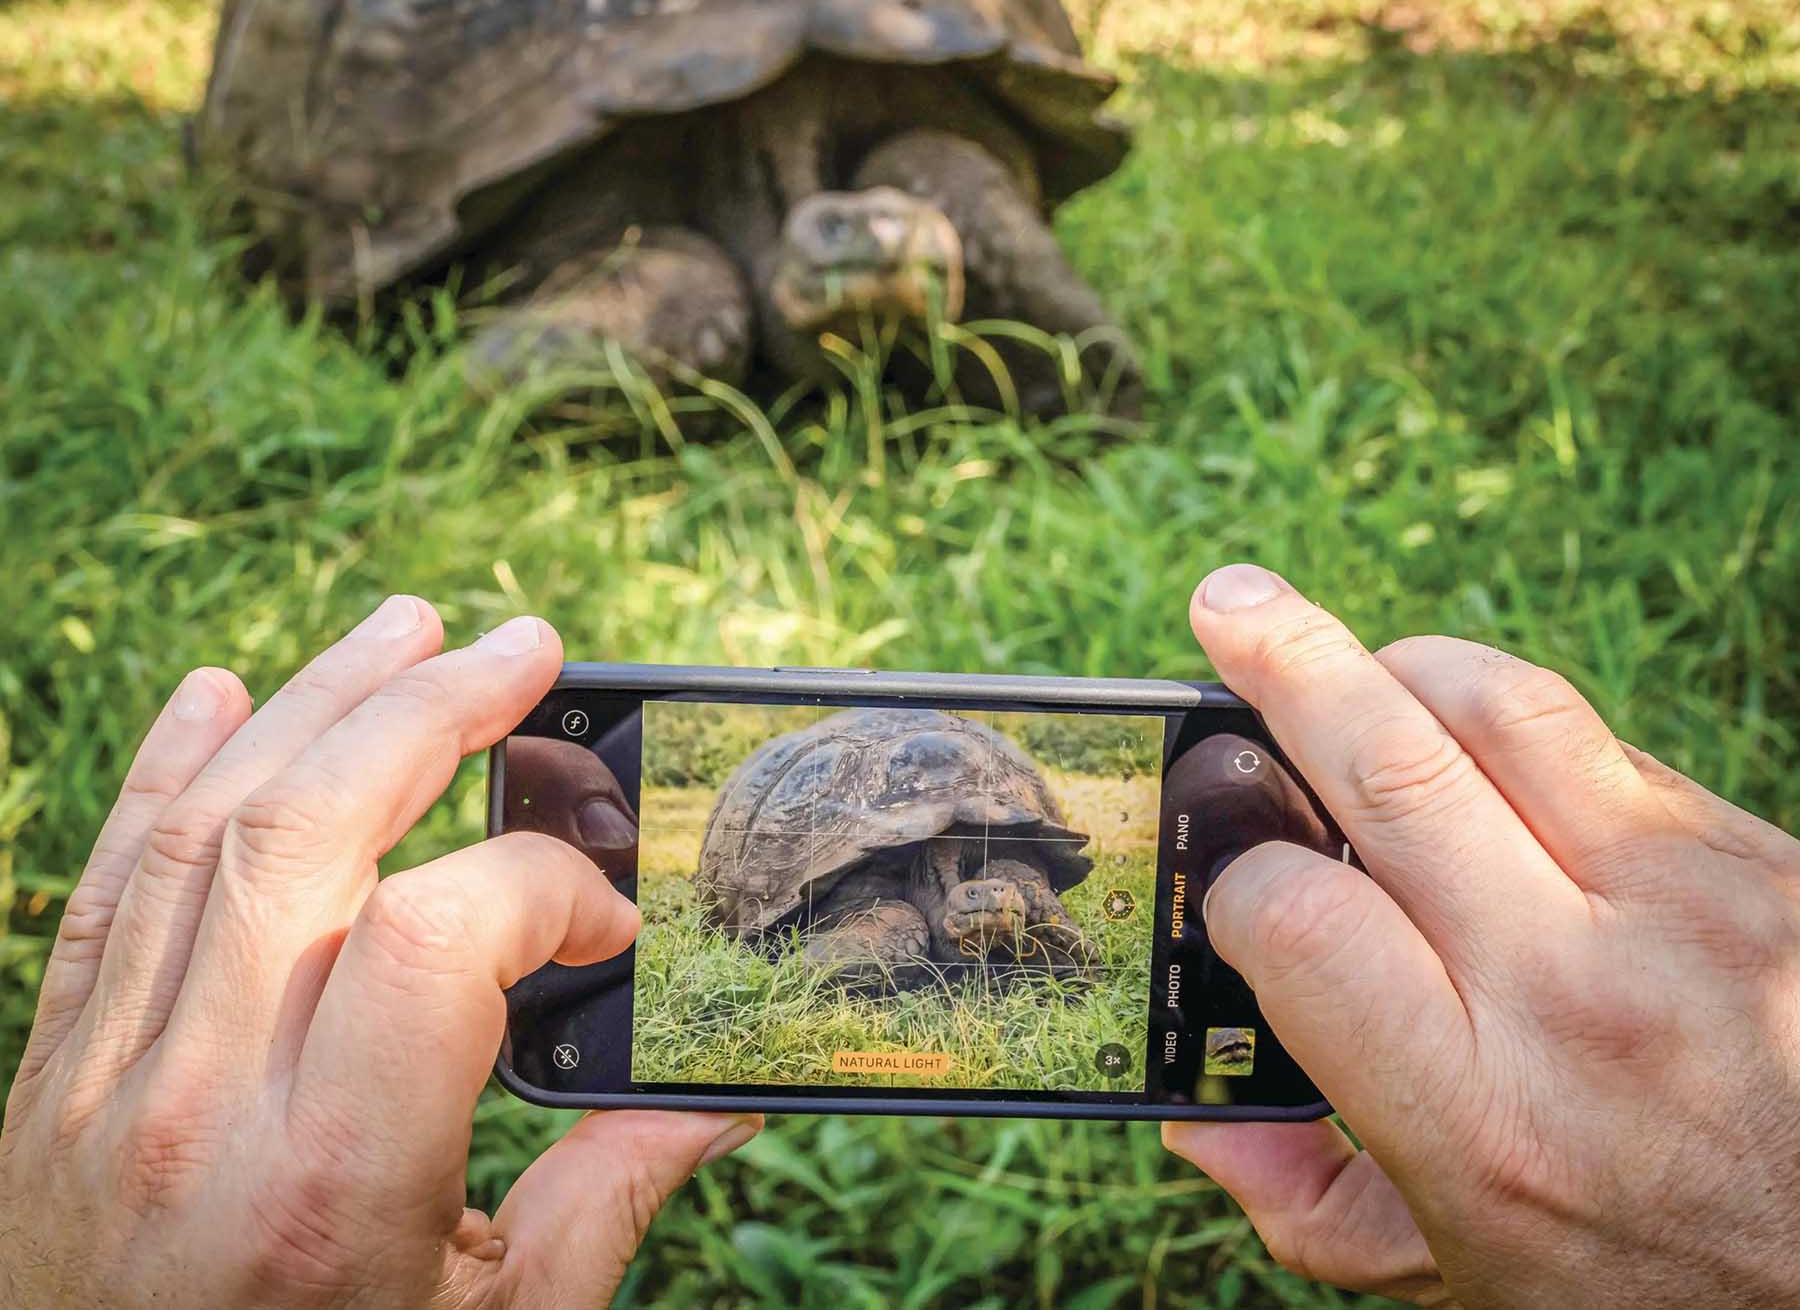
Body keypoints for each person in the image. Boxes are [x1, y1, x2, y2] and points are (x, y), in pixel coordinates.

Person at [2, 565, 1795, 1307]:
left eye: (1012, 876)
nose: (1000, 898)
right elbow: (889, 927)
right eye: (976, 880)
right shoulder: (850, 899)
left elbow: (1028, 909)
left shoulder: (1018, 887)